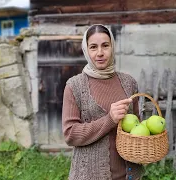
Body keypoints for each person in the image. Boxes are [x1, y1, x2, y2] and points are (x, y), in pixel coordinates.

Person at [62, 24, 144, 180]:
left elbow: (137, 127)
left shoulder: (129, 83)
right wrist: (109, 120)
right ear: (86, 50)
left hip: (130, 175)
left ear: (112, 47)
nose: (100, 53)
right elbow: (70, 134)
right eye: (93, 47)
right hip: (89, 175)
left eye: (105, 45)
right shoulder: (75, 86)